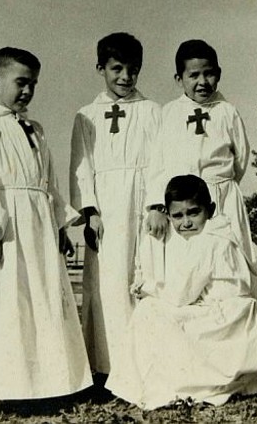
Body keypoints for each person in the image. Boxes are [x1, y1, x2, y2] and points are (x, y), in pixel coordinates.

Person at [0, 47, 91, 404]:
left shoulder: (37, 130)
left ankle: (49, 385)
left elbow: (48, 183)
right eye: (20, 82)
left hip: (39, 228)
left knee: (43, 301)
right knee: (8, 305)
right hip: (8, 232)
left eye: (33, 84)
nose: (28, 91)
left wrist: (60, 227)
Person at [107, 175, 257, 409]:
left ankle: (167, 383)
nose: (186, 223)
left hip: (226, 319)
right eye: (178, 216)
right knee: (156, 312)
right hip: (227, 315)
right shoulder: (219, 233)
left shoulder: (210, 241)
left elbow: (181, 295)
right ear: (168, 216)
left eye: (193, 213)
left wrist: (147, 288)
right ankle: (167, 379)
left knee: (149, 310)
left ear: (210, 210)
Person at [69, 32, 162, 375]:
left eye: (132, 70)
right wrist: (90, 212)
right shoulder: (86, 115)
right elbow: (81, 167)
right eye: (117, 69)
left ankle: (147, 364)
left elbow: (161, 160)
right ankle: (109, 366)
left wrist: (157, 205)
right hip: (106, 211)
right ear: (101, 69)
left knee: (145, 277)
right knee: (108, 284)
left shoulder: (152, 111)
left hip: (143, 204)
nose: (125, 77)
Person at [146, 39, 255, 259]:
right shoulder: (169, 113)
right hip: (182, 202)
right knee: (186, 260)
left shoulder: (227, 112)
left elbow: (240, 158)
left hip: (220, 198)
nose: (202, 82)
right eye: (194, 75)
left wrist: (220, 185)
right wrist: (157, 207)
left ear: (219, 74)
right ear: (179, 79)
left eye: (209, 74)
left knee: (224, 256)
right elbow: (157, 163)